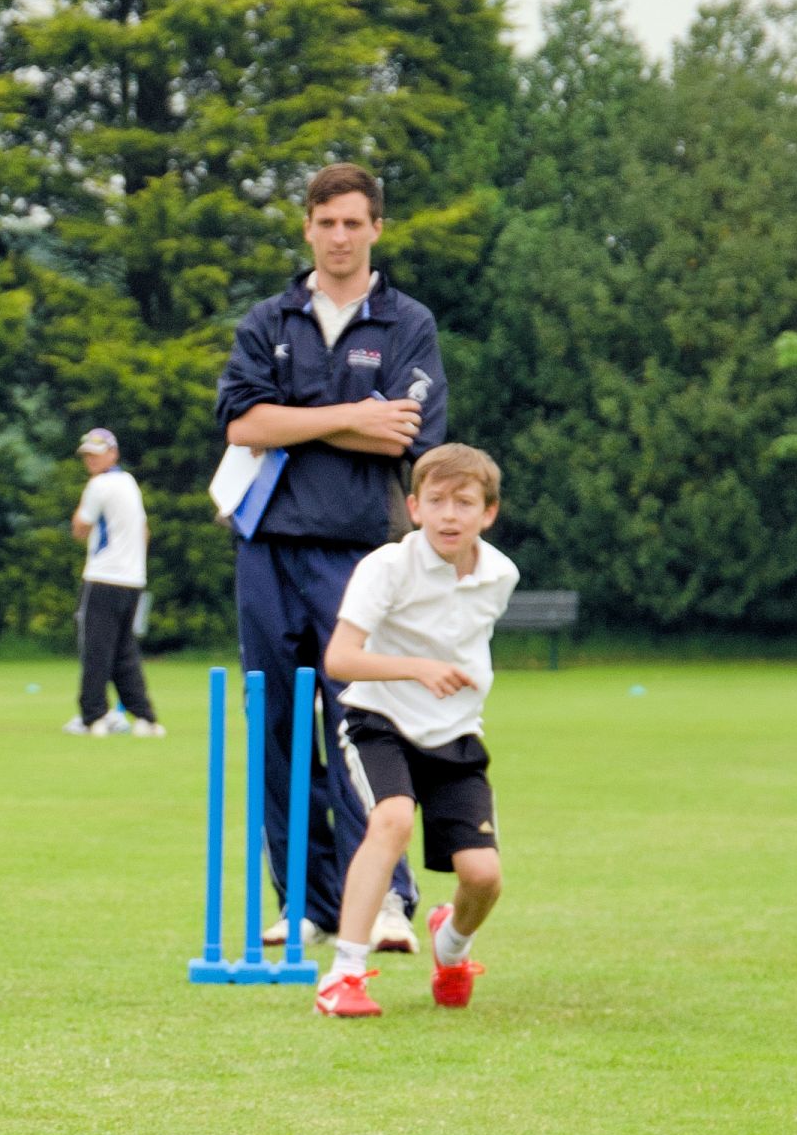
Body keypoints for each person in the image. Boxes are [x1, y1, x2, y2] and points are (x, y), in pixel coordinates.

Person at [215, 163, 446, 952]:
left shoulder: (405, 322)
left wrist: (295, 418)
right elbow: (241, 427)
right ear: (307, 226)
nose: (338, 236)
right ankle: (306, 902)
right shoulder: (268, 319)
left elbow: (408, 433)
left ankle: (380, 898)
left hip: (360, 553)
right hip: (266, 549)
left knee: (361, 724)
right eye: (326, 222)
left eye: (353, 222)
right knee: (275, 726)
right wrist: (352, 414)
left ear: (376, 227)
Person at [313, 445, 515, 1020]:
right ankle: (344, 975)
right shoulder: (385, 567)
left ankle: (451, 946)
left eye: (465, 502)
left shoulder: (501, 574)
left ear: (488, 512)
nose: (450, 515)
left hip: (454, 731)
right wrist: (419, 669)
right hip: (379, 718)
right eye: (437, 502)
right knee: (393, 818)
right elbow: (340, 659)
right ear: (414, 507)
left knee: (483, 876)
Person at [63, 427, 162, 739]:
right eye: (87, 455)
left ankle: (93, 717)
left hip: (103, 577)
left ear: (113, 453)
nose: (91, 460)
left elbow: (81, 527)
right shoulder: (130, 483)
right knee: (124, 652)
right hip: (133, 579)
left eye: (96, 453)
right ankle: (145, 718)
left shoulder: (99, 484)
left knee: (96, 650)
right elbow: (144, 532)